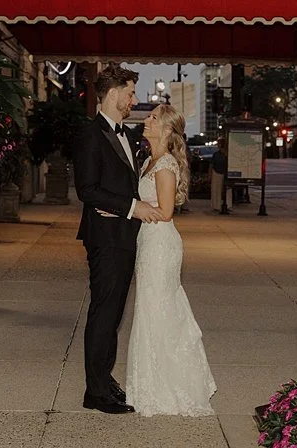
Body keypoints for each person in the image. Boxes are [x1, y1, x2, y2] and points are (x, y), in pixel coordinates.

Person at [73, 65, 164, 415]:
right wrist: (131, 206)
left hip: (124, 236)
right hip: (106, 239)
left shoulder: (126, 134)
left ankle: (102, 379)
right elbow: (88, 190)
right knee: (104, 313)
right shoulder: (89, 135)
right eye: (130, 93)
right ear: (112, 94)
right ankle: (95, 392)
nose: (134, 100)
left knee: (112, 315)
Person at [125, 104, 217, 416]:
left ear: (166, 130)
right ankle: (152, 383)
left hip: (160, 244)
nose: (146, 120)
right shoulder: (149, 161)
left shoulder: (164, 165)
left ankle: (168, 388)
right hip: (149, 241)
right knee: (152, 309)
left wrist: (130, 207)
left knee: (158, 310)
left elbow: (165, 212)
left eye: (152, 117)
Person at [209, 138, 230, 213]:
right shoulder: (216, 154)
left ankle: (227, 204)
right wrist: (210, 174)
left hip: (224, 173)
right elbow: (211, 165)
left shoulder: (227, 154)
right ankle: (216, 205)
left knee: (227, 190)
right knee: (216, 189)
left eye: (219, 143)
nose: (218, 145)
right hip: (216, 172)